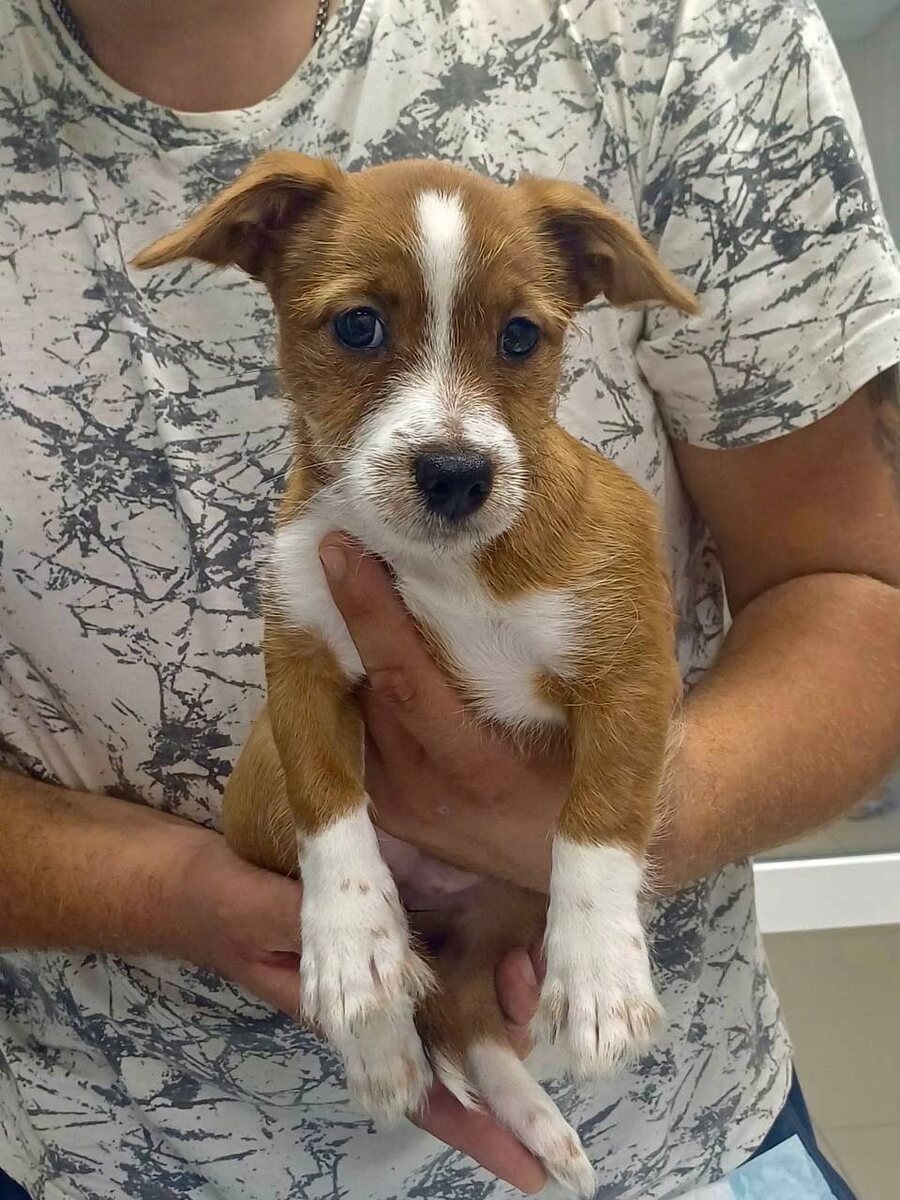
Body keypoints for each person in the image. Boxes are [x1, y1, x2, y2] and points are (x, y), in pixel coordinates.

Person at [1, 0, 899, 1197]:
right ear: (256, 244)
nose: (449, 432)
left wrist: (596, 855)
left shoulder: (667, 29)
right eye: (359, 329)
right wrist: (200, 900)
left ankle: (482, 1037)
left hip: (684, 1142)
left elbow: (856, 587)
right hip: (102, 1150)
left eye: (519, 341)